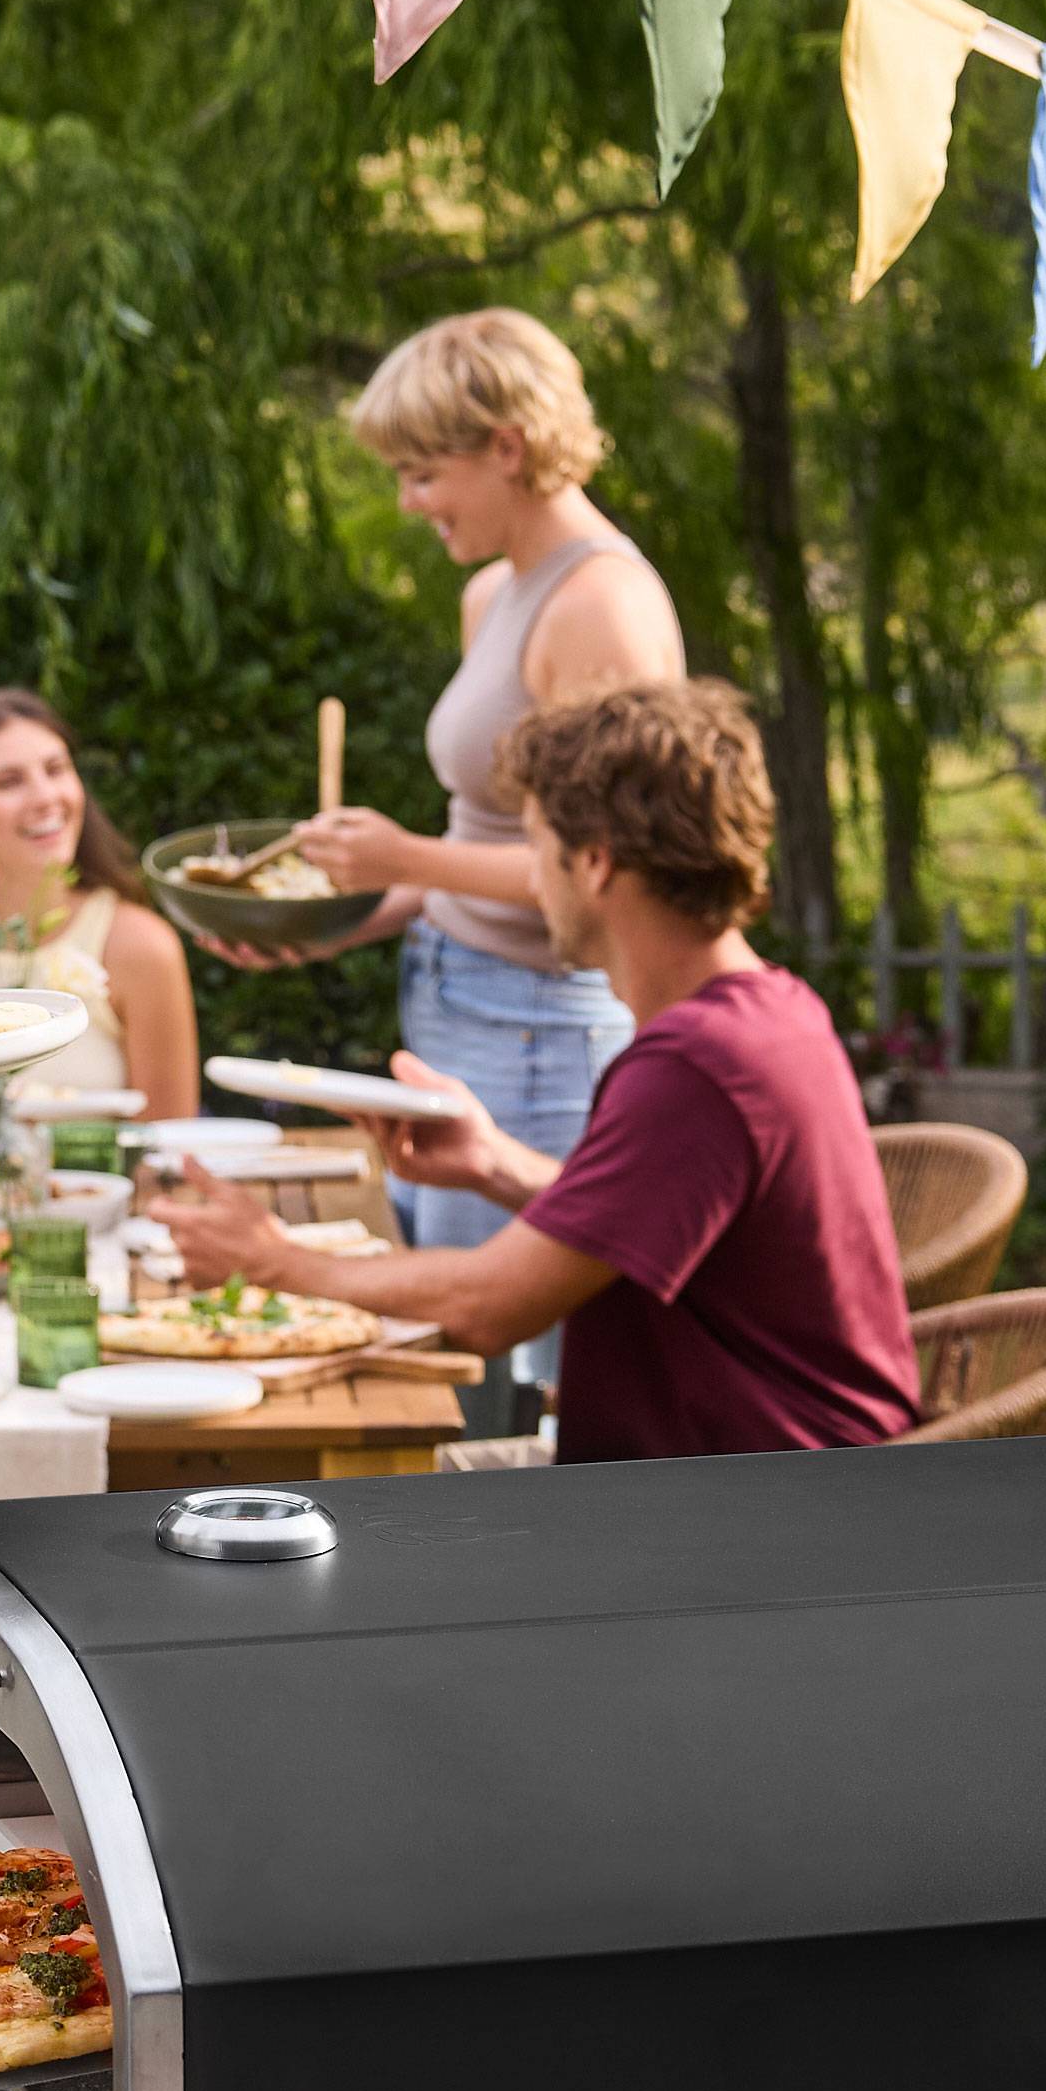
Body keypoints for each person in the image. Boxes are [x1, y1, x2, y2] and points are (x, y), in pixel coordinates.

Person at [157, 680, 918, 1459]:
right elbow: (642, 1227)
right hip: (760, 1486)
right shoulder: (768, 1012)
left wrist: (272, 1262)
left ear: (591, 863)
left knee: (329, 1516)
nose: (532, 883)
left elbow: (487, 1305)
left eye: (535, 851)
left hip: (750, 1518)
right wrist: (493, 1164)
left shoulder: (696, 1066)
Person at [281, 311, 684, 1409]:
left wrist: (398, 850)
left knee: (495, 1363)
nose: (409, 501)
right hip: (458, 995)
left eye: (422, 472)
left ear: (507, 445)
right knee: (450, 1355)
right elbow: (483, 845)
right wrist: (339, 919)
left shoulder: (602, 603)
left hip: (543, 1030)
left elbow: (613, 872)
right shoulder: (493, 591)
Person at [0, 685, 199, 1114]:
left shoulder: (141, 947)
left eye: (56, 769)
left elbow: (168, 1144)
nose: (46, 797)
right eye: (9, 782)